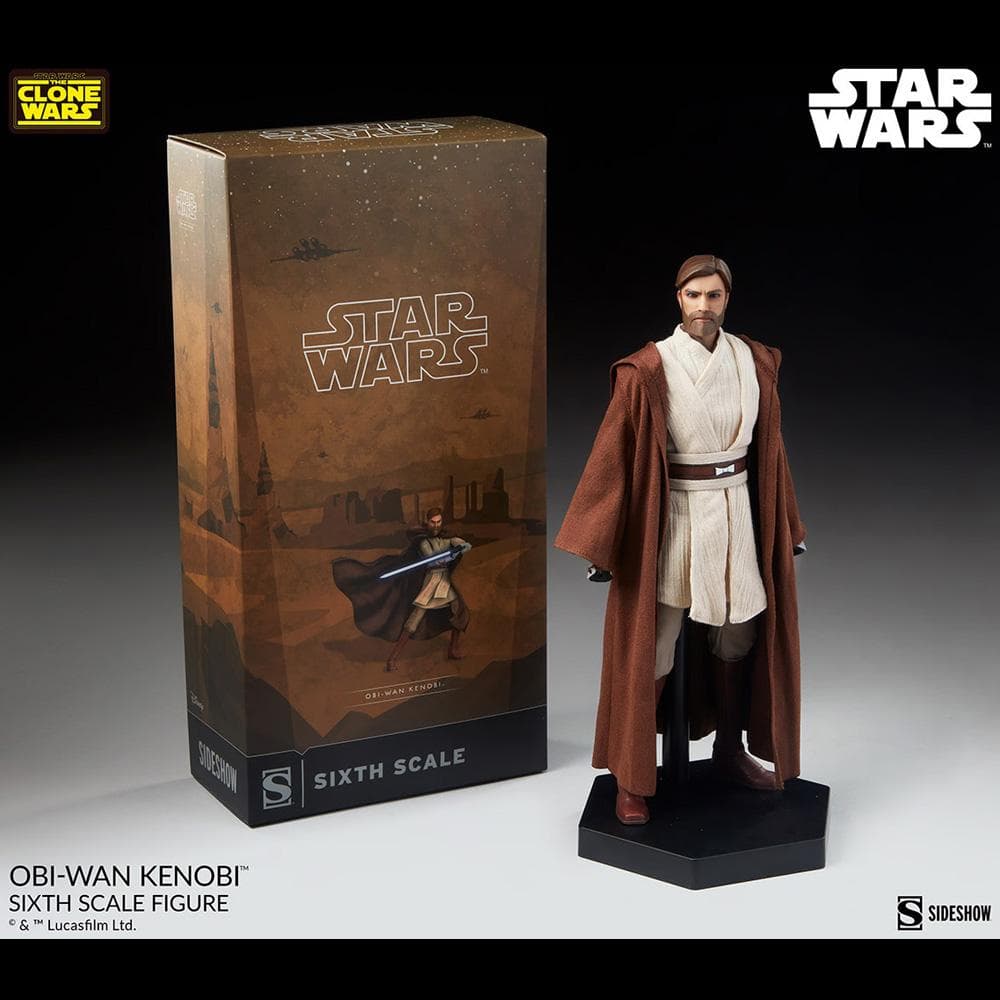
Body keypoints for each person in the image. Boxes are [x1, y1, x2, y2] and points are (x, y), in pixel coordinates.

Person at [554, 254, 807, 825]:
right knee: (656, 640)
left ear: (727, 299)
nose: (703, 306)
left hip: (735, 508)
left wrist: (787, 525)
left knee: (739, 632)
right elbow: (614, 455)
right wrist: (603, 543)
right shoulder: (649, 368)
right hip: (675, 514)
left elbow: (771, 451)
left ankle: (728, 752)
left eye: (713, 296)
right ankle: (633, 775)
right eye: (694, 295)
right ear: (678, 299)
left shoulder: (755, 361)